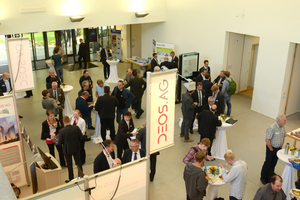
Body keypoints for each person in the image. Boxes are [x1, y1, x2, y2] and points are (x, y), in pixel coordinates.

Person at [260, 115, 287, 185]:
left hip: (278, 149)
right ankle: (263, 177)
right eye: (284, 120)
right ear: (279, 121)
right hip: (271, 148)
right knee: (268, 163)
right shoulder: (272, 128)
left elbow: (283, 136)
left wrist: (281, 145)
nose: (286, 122)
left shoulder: (283, 128)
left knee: (274, 163)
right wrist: (271, 149)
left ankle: (270, 176)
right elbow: (267, 139)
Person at [58, 116, 83, 183]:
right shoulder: (76, 128)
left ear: (63, 122)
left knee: (69, 164)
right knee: (78, 162)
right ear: (69, 120)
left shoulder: (62, 131)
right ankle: (81, 176)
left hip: (67, 150)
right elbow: (81, 137)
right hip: (76, 148)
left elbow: (59, 143)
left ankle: (71, 178)